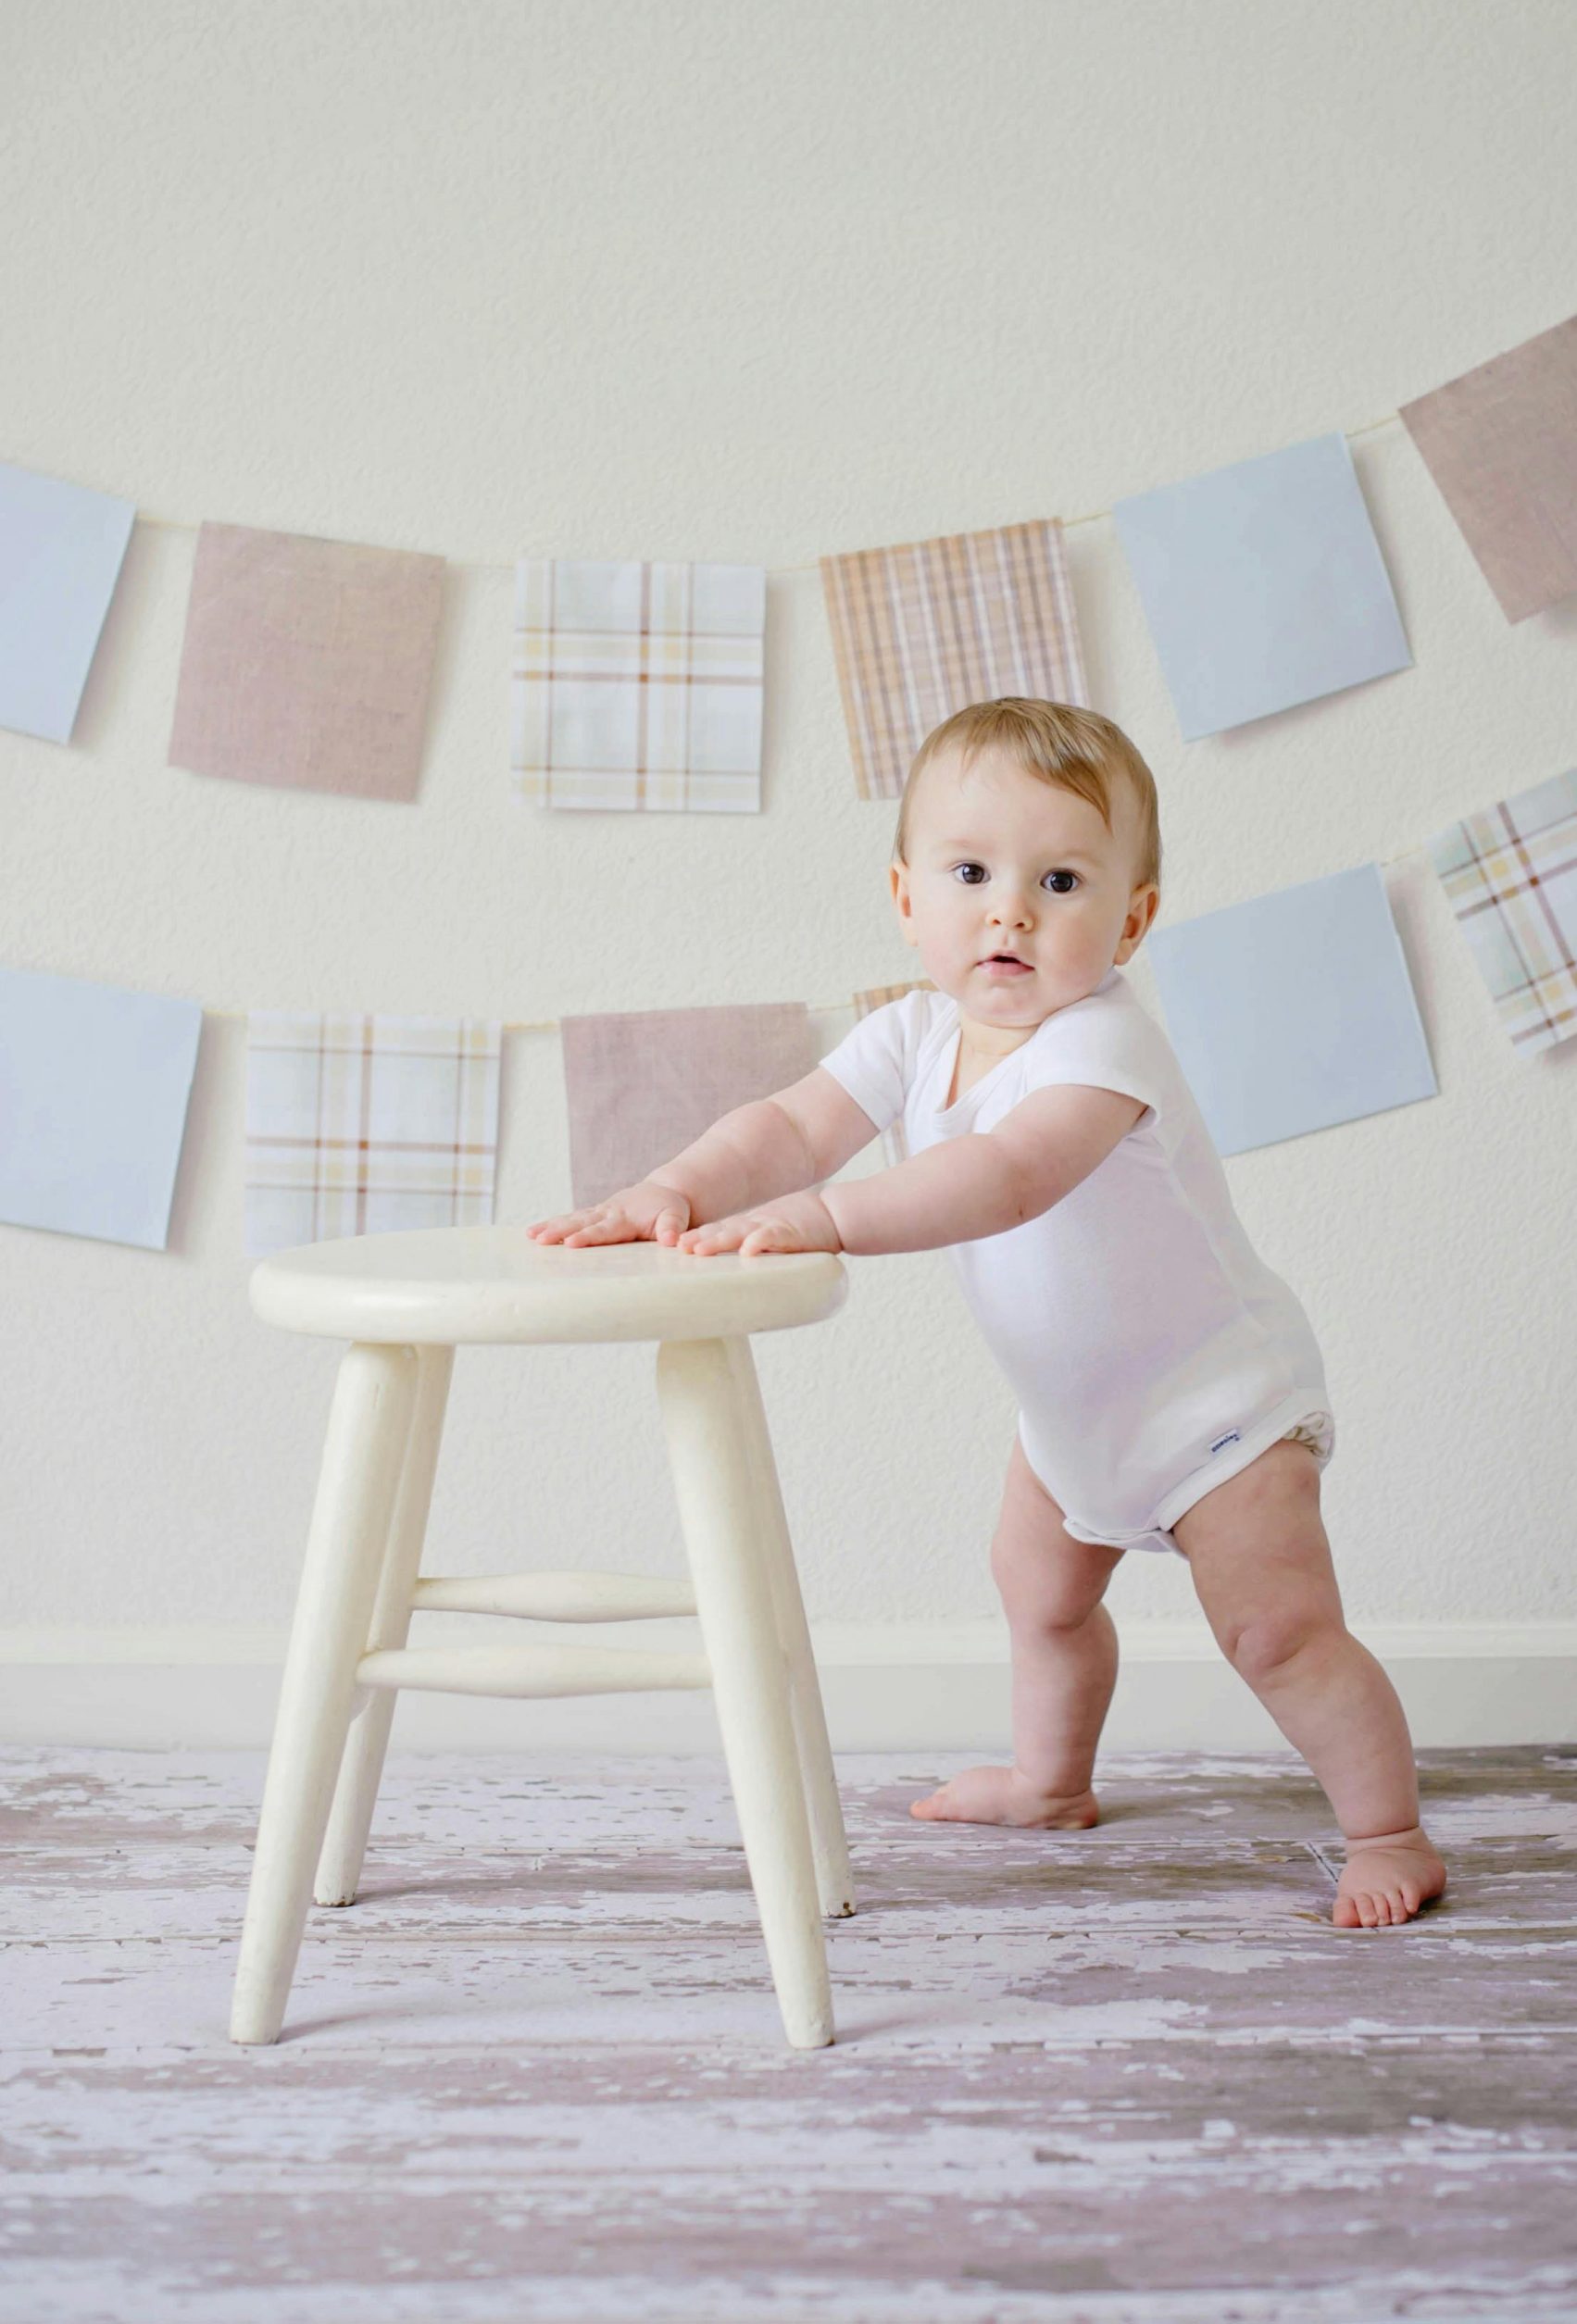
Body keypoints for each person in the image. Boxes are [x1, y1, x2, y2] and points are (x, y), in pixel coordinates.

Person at [526, 696, 1446, 1931]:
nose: (1010, 910)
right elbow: (791, 1127)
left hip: (1220, 1409)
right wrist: (675, 1187)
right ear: (908, 899)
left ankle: (1389, 1829)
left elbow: (1008, 1177)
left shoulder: (1102, 1049)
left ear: (1133, 918)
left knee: (1278, 1634)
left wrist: (831, 1217)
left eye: (1061, 879)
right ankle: (1051, 1780)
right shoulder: (908, 1035)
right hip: (1072, 1417)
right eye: (972, 872)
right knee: (1041, 1596)